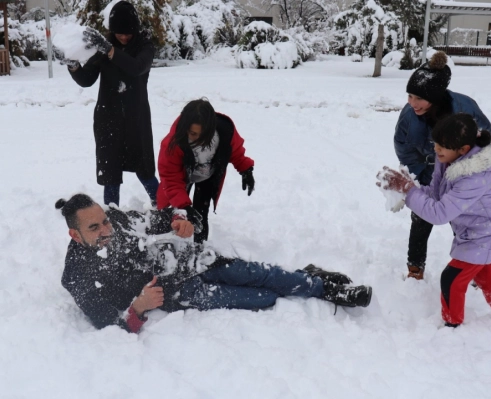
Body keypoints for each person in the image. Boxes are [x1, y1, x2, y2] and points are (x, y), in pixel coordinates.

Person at [56, 193, 372, 333]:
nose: (106, 230)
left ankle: (322, 286)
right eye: (94, 228)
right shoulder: (78, 276)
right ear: (74, 233)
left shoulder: (117, 220)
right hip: (179, 293)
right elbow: (108, 324)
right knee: (261, 298)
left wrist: (180, 220)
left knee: (257, 274)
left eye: (104, 222)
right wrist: (138, 307)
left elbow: (161, 216)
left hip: (190, 262)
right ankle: (303, 278)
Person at [380, 113, 491, 328]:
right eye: (435, 143)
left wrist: (409, 193)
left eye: (442, 146)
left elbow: (439, 214)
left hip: (489, 234)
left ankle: (452, 326)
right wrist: (410, 190)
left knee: (452, 278)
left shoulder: (474, 177)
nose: (436, 149)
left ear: (463, 149)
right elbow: (436, 194)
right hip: (486, 229)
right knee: (486, 274)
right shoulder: (447, 160)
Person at [394, 51, 491, 280]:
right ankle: (415, 268)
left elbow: (487, 142)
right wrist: (422, 176)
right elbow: (403, 147)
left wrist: (463, 174)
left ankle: (477, 269)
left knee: (465, 221)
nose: (412, 103)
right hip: (427, 171)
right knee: (421, 217)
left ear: (436, 96)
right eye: (409, 96)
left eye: (418, 98)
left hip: (463, 175)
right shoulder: (410, 115)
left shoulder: (464, 107)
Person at [63, 1, 158, 207]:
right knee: (110, 174)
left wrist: (110, 49)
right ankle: (113, 217)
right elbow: (87, 80)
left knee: (144, 169)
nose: (123, 37)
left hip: (136, 118)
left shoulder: (145, 46)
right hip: (108, 118)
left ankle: (163, 207)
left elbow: (136, 68)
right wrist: (74, 66)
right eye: (119, 33)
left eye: (128, 33)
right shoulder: (102, 49)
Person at [156, 99, 255, 243]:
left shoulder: (225, 131)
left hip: (208, 176)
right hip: (183, 177)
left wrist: (245, 169)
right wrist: (184, 206)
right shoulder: (173, 144)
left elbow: (235, 151)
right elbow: (171, 179)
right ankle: (168, 246)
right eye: (192, 134)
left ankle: (199, 249)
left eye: (202, 135)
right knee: (173, 213)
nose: (198, 139)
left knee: (201, 214)